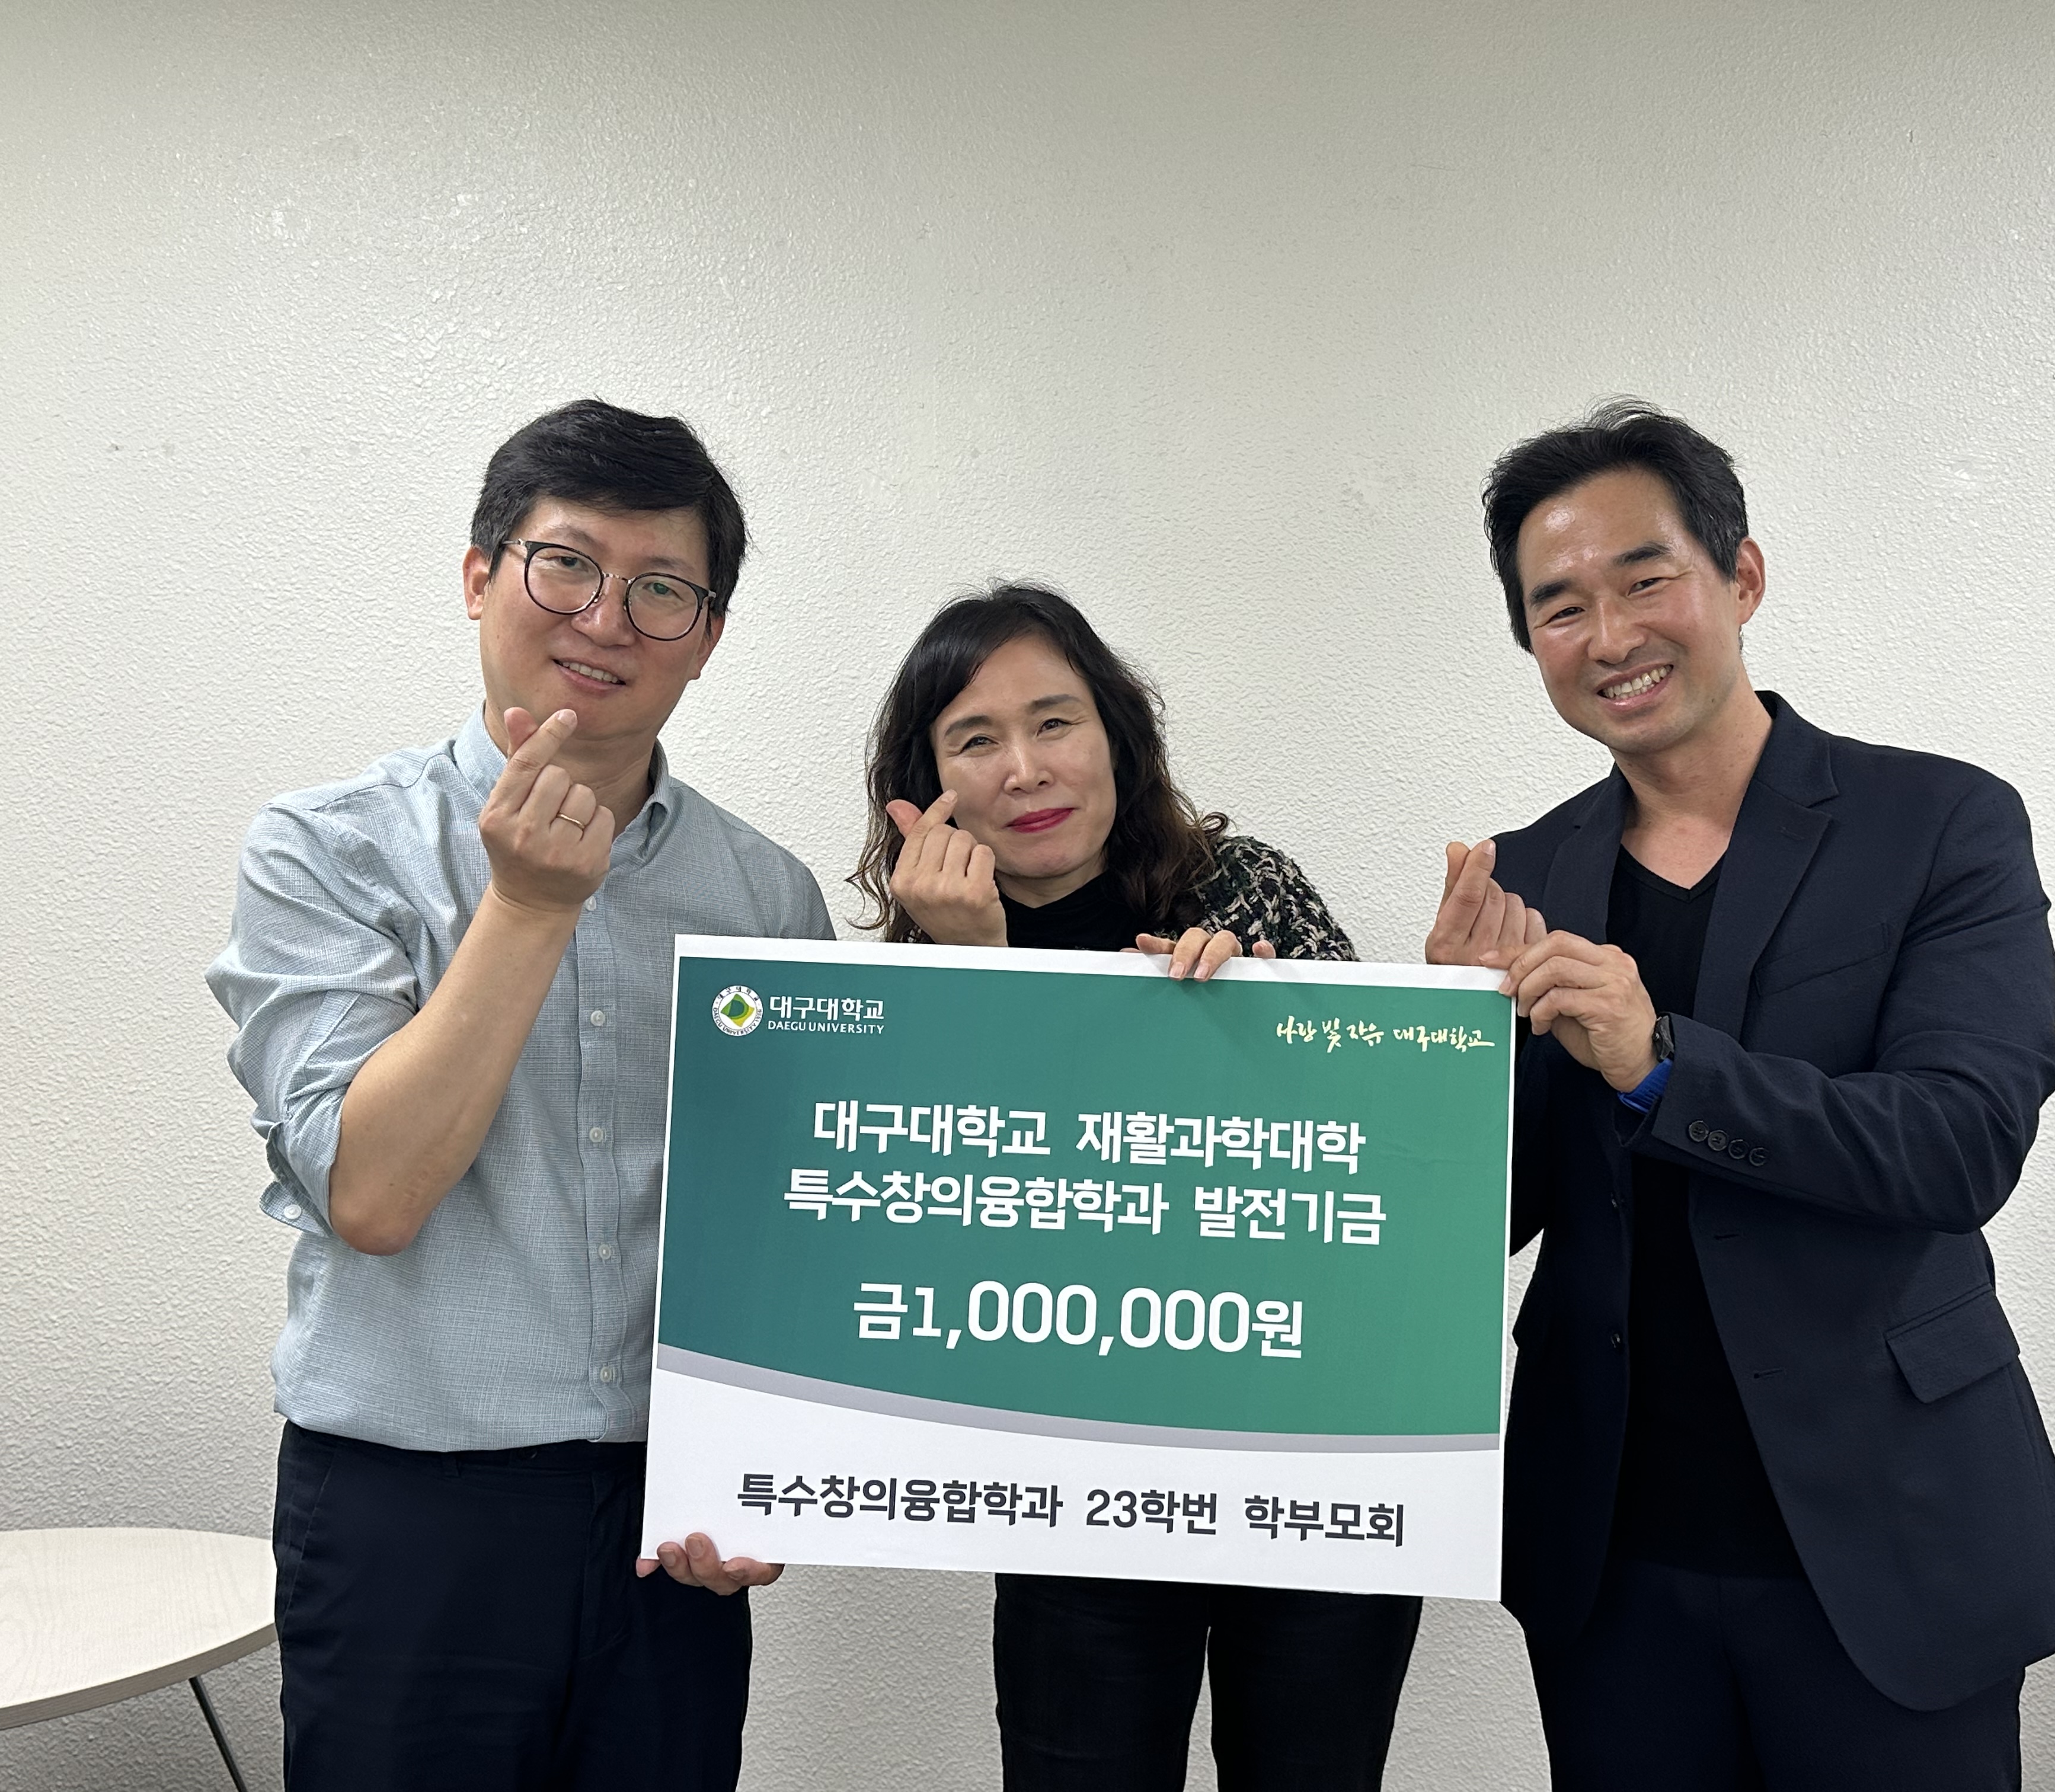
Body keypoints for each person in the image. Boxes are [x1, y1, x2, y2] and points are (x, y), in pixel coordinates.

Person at [1427, 401, 2055, 1789]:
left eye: (1645, 580)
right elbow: (1487, 1219)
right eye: (1560, 607)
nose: (1609, 636)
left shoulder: (1941, 824)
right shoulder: (1525, 874)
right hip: (1612, 1555)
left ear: (1740, 577)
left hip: (1891, 1536)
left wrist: (1661, 1061)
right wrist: (1453, 1055)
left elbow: (1961, 1144)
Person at [207, 399, 830, 1791]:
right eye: (567, 566)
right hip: (409, 1513)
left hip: (673, 1523)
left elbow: (792, 1222)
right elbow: (372, 1194)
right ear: (481, 575)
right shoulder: (328, 849)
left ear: (708, 637)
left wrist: (770, 1465)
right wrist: (531, 908)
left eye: (661, 590)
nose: (606, 619)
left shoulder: (764, 896)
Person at [849, 584, 1414, 1791]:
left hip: (1309, 1468)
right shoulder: (917, 970)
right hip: (1082, 1488)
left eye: (1055, 722)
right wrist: (975, 970)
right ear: (927, 784)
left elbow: (1384, 1170)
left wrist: (1266, 1027)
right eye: (975, 740)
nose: (1025, 769)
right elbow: (940, 1241)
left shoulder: (1245, 888)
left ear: (1117, 732)